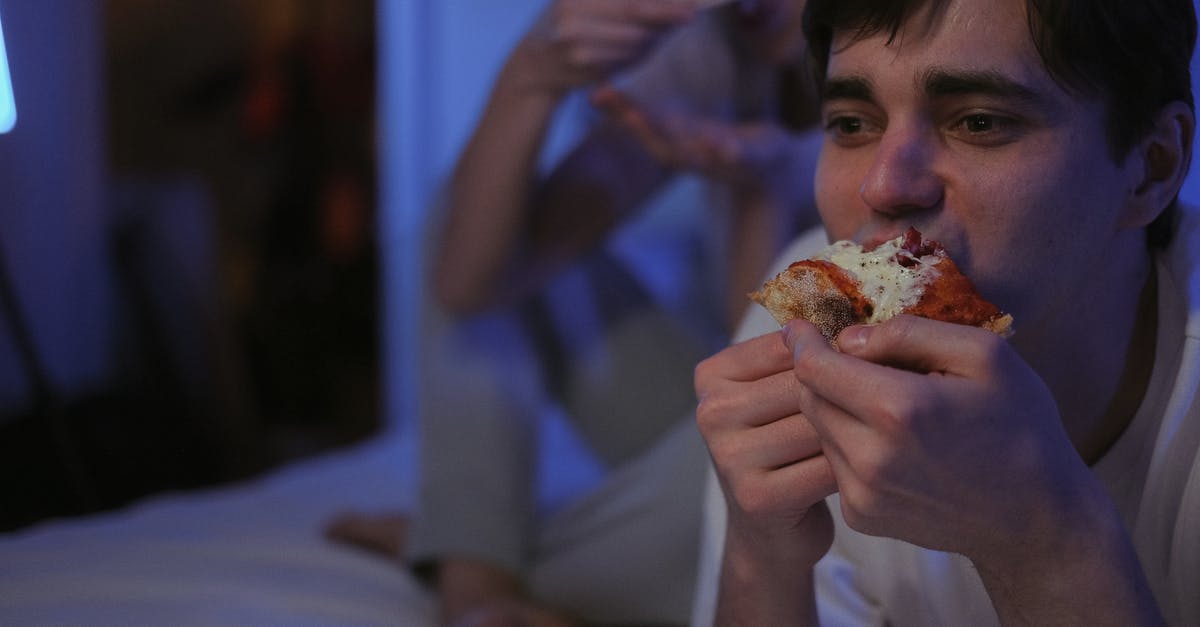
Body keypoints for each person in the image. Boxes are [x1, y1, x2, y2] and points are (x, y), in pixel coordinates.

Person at [691, 0, 1200, 624]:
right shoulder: (804, 316)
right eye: (851, 123)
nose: (883, 186)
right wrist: (762, 553)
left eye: (980, 122)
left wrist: (1044, 543)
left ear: (1154, 166)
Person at [326, 0, 823, 625]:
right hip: (729, 395)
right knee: (480, 216)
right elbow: (468, 282)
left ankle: (470, 557)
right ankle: (477, 564)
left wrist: (769, 185)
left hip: (811, 415)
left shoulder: (907, 60)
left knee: (780, 438)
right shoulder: (719, 48)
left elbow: (777, 384)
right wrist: (533, 71)